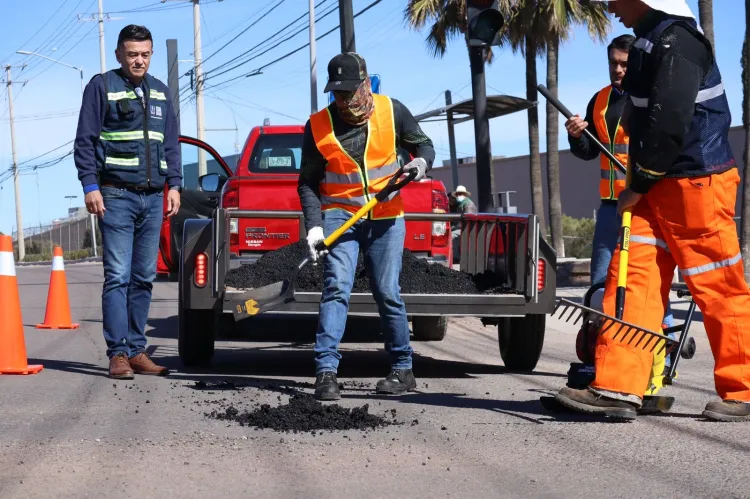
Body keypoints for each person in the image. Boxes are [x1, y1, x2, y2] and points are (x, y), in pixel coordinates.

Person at [555, 0, 750, 422]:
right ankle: (619, 387)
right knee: (631, 284)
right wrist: (641, 185)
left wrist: (637, 184)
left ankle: (743, 391)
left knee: (718, 288)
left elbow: (670, 121)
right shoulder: (651, 42)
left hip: (695, 182)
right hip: (654, 187)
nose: (610, 6)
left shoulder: (677, 42)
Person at [297, 52, 436, 401]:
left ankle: (403, 369)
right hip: (341, 215)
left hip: (386, 215)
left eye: (349, 91)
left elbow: (423, 144)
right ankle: (326, 372)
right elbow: (307, 183)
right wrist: (314, 226)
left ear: (364, 83)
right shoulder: (317, 125)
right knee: (336, 289)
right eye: (337, 93)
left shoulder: (392, 110)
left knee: (387, 291)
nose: (343, 99)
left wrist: (421, 162)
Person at [565, 32, 676, 388]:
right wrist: (576, 134)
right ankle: (603, 361)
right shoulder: (599, 101)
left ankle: (661, 361)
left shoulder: (654, 98)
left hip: (647, 207)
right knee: (601, 287)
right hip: (611, 209)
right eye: (613, 62)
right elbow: (586, 151)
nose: (618, 70)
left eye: (625, 64)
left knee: (648, 287)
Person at [74, 25, 182, 380]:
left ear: (151, 55)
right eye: (133, 53)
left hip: (153, 199)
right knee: (118, 276)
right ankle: (118, 353)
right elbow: (85, 141)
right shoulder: (101, 86)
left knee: (144, 277)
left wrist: (175, 186)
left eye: (145, 54)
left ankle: (137, 351)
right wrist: (90, 185)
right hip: (115, 195)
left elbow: (171, 146)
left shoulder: (162, 94)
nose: (139, 60)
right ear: (120, 54)